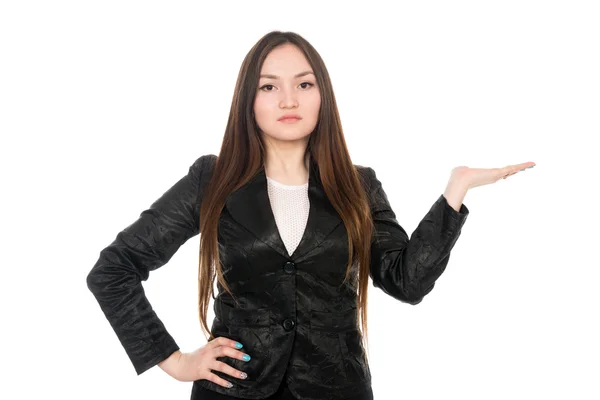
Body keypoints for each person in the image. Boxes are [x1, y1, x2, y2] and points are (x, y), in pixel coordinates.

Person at [86, 30, 535, 400]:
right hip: (233, 392)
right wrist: (176, 361)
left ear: (323, 96)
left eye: (303, 84)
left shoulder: (359, 186)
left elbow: (406, 281)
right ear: (249, 100)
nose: (288, 100)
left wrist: (455, 192)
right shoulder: (212, 179)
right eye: (269, 86)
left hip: (336, 389)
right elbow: (114, 269)